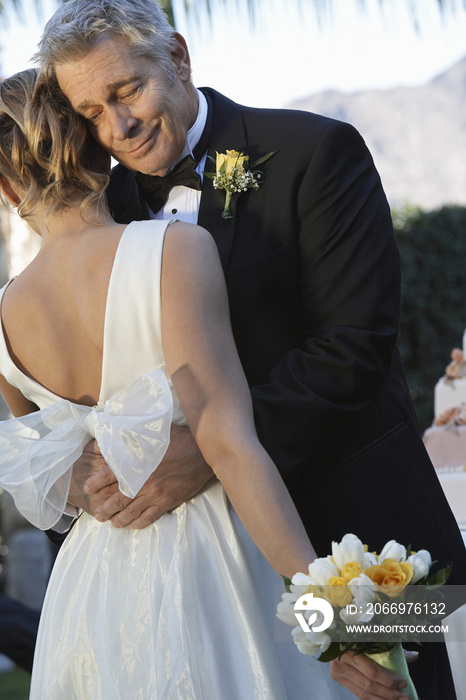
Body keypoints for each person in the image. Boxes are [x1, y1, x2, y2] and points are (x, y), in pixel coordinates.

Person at [32, 1, 466, 698]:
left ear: (177, 58)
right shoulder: (101, 208)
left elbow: (353, 347)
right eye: (89, 113)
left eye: (126, 91)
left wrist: (205, 450)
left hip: (365, 530)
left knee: (419, 685)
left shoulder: (315, 151)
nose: (118, 127)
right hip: (207, 569)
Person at [0, 68, 361, 699]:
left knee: (435, 632)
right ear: (95, 140)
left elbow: (36, 461)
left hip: (93, 585)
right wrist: (337, 628)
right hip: (221, 552)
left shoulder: (6, 315)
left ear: (6, 189)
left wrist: (102, 477)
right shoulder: (172, 249)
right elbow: (232, 445)